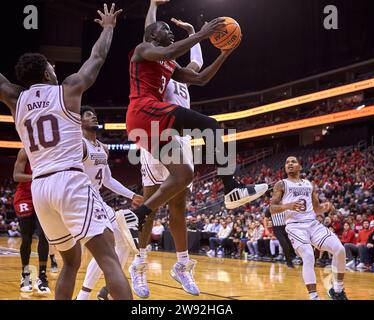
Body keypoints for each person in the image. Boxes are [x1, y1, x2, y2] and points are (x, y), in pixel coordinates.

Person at [0, 1, 132, 299]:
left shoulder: (14, 98)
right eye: (51, 67)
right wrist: (108, 28)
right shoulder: (67, 90)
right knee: (108, 257)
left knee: (70, 262)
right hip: (70, 180)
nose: (55, 69)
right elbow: (97, 56)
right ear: (45, 74)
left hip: (41, 189)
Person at [126, 2, 268, 238]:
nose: (170, 32)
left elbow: (200, 78)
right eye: (165, 29)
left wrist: (223, 54)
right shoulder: (144, 49)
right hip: (143, 112)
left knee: (184, 175)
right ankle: (231, 187)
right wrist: (200, 33)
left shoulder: (169, 64)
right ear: (152, 34)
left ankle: (137, 216)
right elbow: (167, 50)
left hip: (151, 125)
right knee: (211, 126)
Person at [127, 0, 207, 298]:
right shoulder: (159, 65)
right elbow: (149, 34)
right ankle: (139, 265)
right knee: (150, 207)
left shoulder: (177, 70)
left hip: (180, 138)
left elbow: (197, 67)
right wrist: (152, 6)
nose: (170, 37)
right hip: (156, 131)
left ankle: (182, 265)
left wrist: (196, 32)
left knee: (178, 207)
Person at [76, 106, 144, 300]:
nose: (93, 115)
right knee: (108, 247)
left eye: (93, 113)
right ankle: (85, 294)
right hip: (81, 200)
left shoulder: (103, 148)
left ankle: (104, 291)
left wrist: (132, 195)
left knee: (122, 243)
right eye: (87, 114)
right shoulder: (77, 144)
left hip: (97, 200)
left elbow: (107, 180)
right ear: (79, 121)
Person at [270, 156, 348, 300]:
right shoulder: (281, 184)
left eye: (293, 162)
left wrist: (325, 208)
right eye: (287, 162)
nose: (290, 164)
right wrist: (287, 205)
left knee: (340, 249)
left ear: (300, 166)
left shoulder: (308, 184)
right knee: (308, 255)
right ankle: (314, 297)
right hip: (295, 226)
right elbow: (272, 208)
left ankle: (337, 290)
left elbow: (316, 208)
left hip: (312, 223)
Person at [13, 148, 52, 294]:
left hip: (42, 195)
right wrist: (36, 176)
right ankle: (25, 276)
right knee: (27, 238)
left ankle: (42, 276)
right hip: (25, 196)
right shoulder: (24, 152)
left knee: (44, 236)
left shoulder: (49, 152)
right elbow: (16, 176)